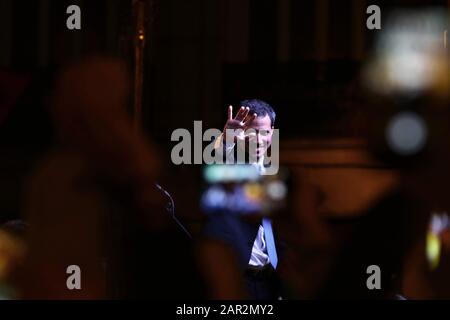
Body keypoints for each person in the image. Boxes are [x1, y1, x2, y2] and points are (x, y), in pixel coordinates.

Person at [204, 99, 283, 299]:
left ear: (271, 134)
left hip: (270, 280)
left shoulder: (273, 174)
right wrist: (226, 140)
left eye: (263, 132)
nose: (257, 138)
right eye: (251, 131)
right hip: (238, 280)